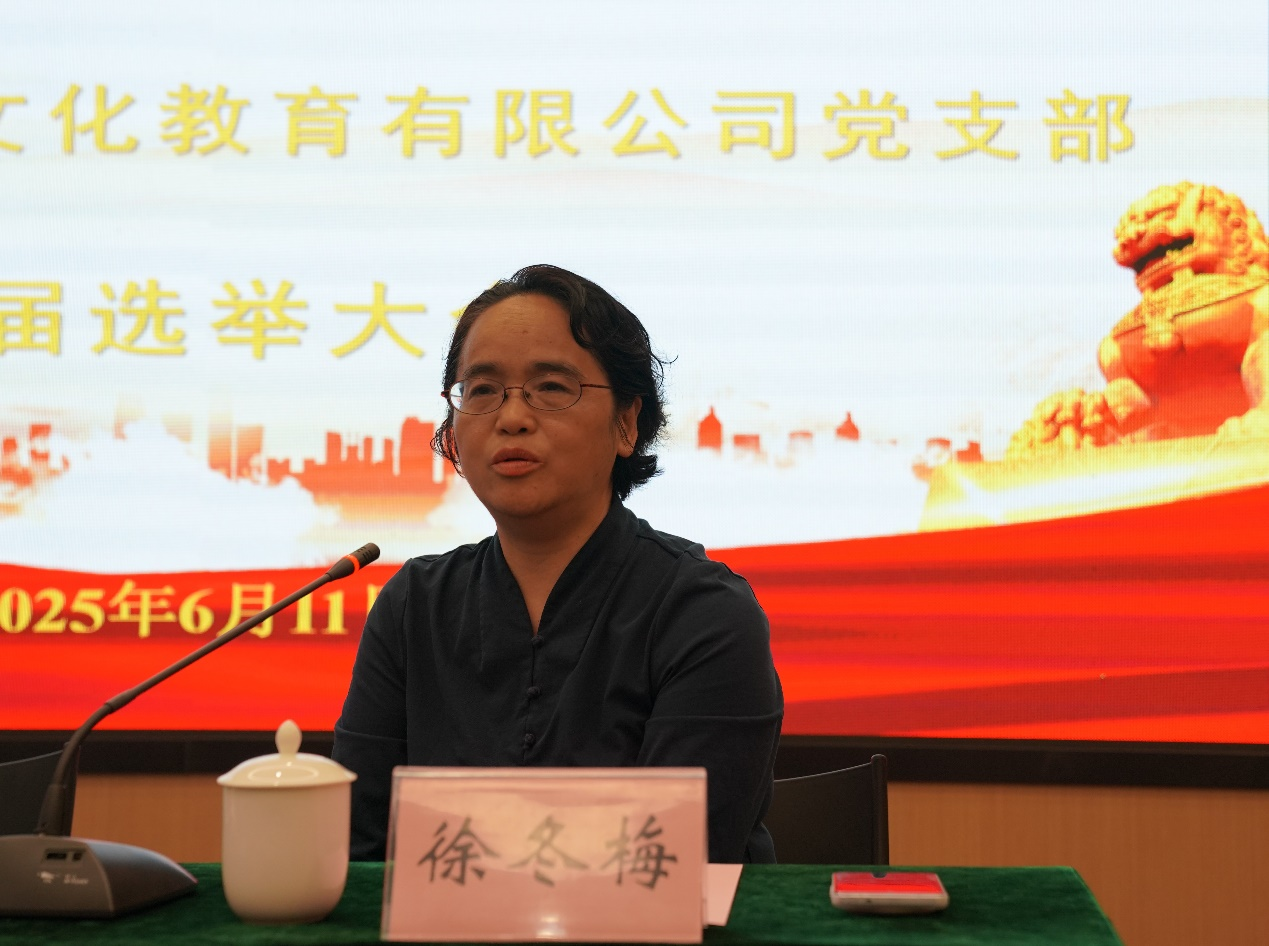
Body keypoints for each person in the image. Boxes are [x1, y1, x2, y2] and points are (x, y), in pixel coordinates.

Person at [331, 264, 783, 863]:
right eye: (482, 390)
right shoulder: (415, 604)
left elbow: (669, 865)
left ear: (627, 424)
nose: (511, 417)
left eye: (550, 387)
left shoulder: (703, 612)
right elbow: (357, 849)